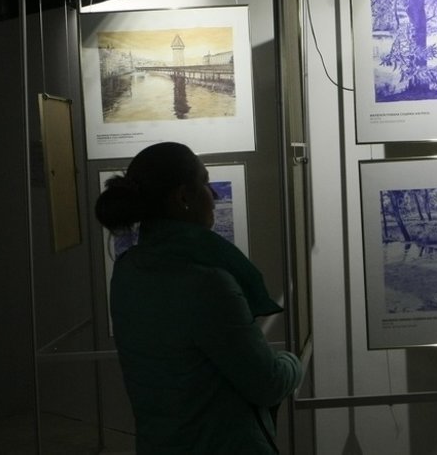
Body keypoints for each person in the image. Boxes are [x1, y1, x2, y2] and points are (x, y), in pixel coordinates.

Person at [95, 141, 301, 454]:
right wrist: (292, 360)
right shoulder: (206, 283)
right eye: (205, 183)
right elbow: (268, 383)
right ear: (183, 198)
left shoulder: (126, 270)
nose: (214, 195)